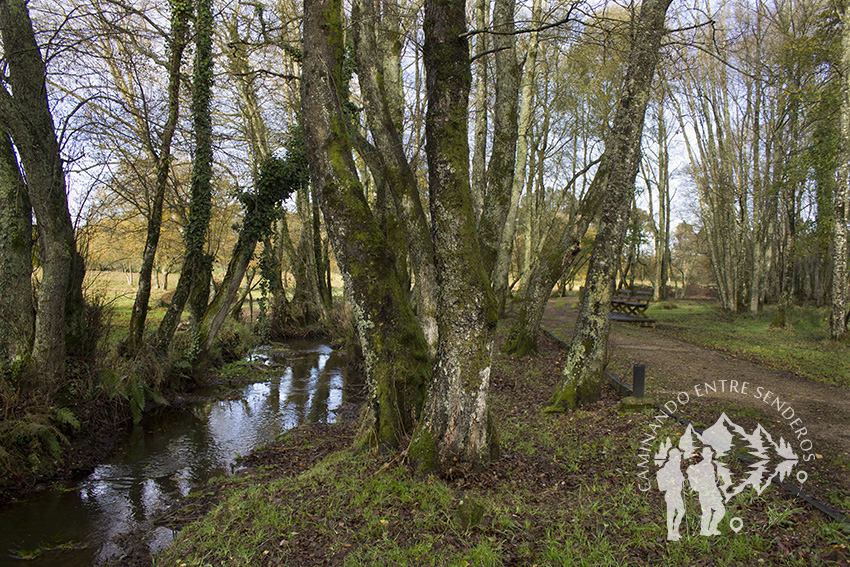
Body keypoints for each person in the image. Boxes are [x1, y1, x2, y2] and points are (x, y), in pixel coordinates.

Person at [686, 446, 725, 536]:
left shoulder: (711, 466)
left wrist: (717, 482)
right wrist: (699, 487)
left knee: (720, 510)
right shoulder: (696, 468)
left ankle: (712, 528)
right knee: (707, 512)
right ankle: (704, 531)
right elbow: (693, 482)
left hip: (713, 491)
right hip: (705, 493)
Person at [656, 448, 685, 541]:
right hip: (671, 493)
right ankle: (670, 533)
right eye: (678, 456)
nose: (680, 458)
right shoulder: (668, 468)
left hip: (677, 493)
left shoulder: (676, 467)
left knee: (681, 511)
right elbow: (664, 483)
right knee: (671, 514)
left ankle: (675, 531)